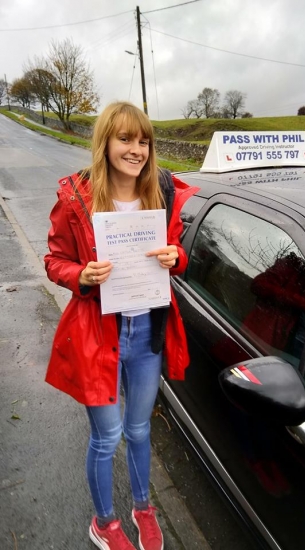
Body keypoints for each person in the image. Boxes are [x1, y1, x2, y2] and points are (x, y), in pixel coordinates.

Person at [44, 101, 199, 550]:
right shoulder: (77, 198)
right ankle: (105, 522)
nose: (137, 150)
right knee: (107, 435)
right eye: (126, 139)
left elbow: (176, 253)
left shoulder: (160, 193)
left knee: (138, 429)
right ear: (106, 141)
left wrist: (177, 256)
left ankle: (142, 507)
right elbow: (55, 260)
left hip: (147, 333)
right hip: (99, 336)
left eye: (144, 141)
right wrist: (81, 276)